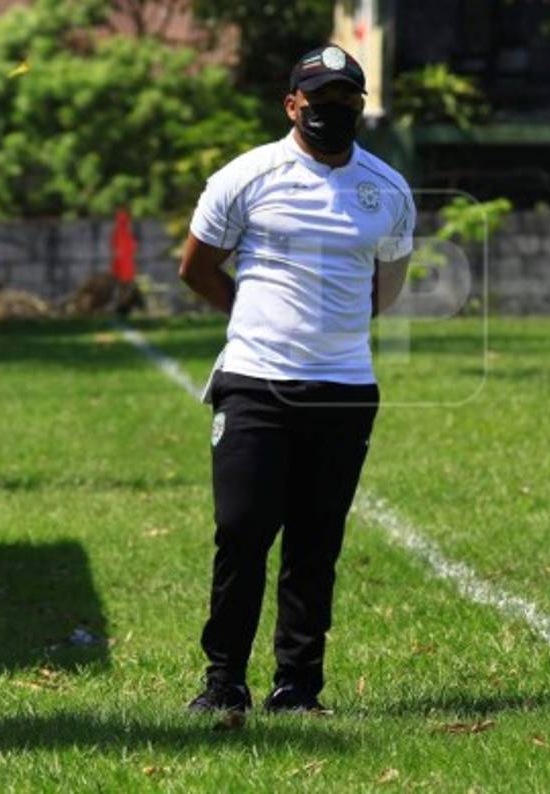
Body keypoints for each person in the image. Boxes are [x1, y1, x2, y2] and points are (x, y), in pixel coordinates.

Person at [179, 44, 414, 714]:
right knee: (243, 530)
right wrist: (251, 312)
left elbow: (385, 290)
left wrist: (330, 329)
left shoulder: (387, 189)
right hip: (255, 383)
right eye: (320, 99)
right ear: (292, 105)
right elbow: (196, 267)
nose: (332, 111)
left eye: (347, 99)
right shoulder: (245, 177)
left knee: (316, 543)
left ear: (360, 109)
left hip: (344, 390)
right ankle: (223, 681)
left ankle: (298, 686)